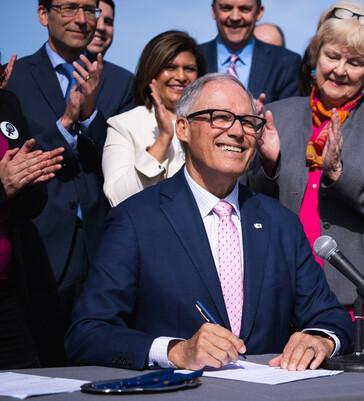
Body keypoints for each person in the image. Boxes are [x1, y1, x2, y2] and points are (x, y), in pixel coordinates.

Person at [65, 73, 353, 371]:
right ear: (183, 128)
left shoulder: (281, 223)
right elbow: (86, 334)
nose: (237, 131)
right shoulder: (136, 220)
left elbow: (330, 317)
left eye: (247, 121)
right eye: (220, 117)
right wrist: (175, 351)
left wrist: (320, 339)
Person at [245, 1, 364, 348]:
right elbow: (249, 199)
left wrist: (338, 173)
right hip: (288, 294)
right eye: (332, 56)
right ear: (315, 56)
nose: (339, 70)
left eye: (355, 63)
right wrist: (269, 165)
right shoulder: (279, 113)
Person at [7, 0, 134, 366]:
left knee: (100, 361)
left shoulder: (121, 80)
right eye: (68, 8)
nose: (82, 19)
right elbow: (18, 157)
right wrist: (64, 124)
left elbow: (116, 158)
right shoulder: (15, 77)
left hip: (102, 244)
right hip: (38, 242)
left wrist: (92, 113)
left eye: (88, 9)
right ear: (43, 14)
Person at [0, 54, 64, 369]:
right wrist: (4, 188)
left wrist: (27, 181)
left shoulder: (6, 103)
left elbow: (32, 201)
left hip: (7, 289)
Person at [103, 31, 207, 207]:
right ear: (152, 71)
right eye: (170, 67)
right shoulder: (123, 125)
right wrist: (163, 139)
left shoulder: (212, 122)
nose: (181, 77)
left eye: (189, 69)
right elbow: (117, 198)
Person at [199, 0, 301, 104]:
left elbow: (290, 115)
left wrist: (259, 116)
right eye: (226, 8)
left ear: (259, 12)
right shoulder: (195, 58)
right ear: (213, 11)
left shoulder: (286, 63)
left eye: (244, 9)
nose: (235, 17)